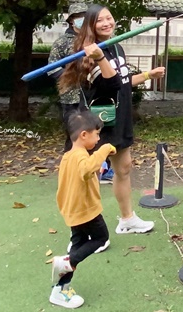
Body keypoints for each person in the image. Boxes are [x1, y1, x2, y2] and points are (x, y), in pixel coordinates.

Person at [59, 4, 165, 235]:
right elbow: (110, 84)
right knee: (89, 174)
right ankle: (83, 231)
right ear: (90, 25)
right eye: (100, 21)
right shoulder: (88, 52)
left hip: (120, 116)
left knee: (124, 168)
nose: (107, 23)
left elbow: (123, 80)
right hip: (97, 122)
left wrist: (148, 75)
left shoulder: (114, 47)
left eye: (109, 18)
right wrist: (98, 57)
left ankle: (127, 219)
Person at [50, 111, 116, 308]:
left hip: (74, 212)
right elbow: (87, 169)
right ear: (83, 135)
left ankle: (60, 288)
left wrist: (99, 166)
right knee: (100, 238)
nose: (98, 138)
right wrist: (103, 150)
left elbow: (84, 174)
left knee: (78, 244)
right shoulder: (80, 157)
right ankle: (67, 262)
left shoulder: (69, 156)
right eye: (96, 134)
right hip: (86, 212)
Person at [49, 3, 114, 183]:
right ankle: (71, 171)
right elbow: (51, 68)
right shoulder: (62, 43)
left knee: (97, 131)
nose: (80, 19)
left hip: (93, 96)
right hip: (71, 97)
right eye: (77, 16)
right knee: (76, 134)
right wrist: (70, 77)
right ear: (71, 21)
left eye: (84, 16)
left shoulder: (94, 41)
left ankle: (102, 169)